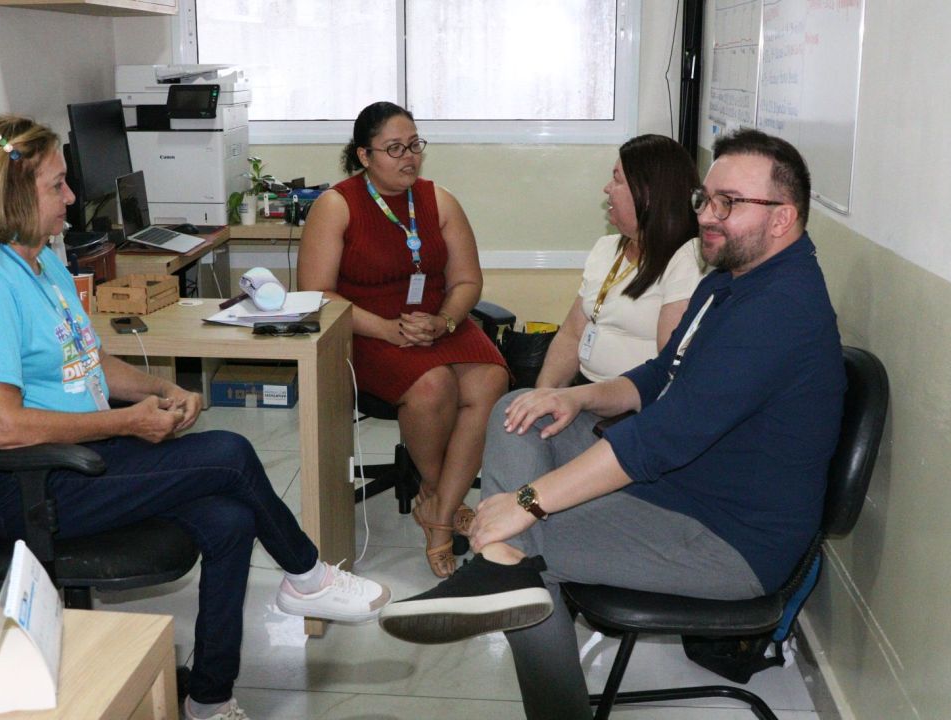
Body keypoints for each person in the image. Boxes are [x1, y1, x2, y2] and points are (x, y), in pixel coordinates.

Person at [378, 128, 846, 720]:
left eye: (730, 203)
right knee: (518, 411)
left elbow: (660, 437)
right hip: (683, 485)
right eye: (707, 197)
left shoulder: (781, 308)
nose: (708, 215)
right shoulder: (734, 278)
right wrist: (580, 398)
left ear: (783, 218)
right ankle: (503, 569)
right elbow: (663, 373)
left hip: (729, 539)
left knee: (519, 543)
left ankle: (509, 587)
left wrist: (529, 500)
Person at [0, 115, 390, 720]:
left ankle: (208, 697)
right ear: (11, 194)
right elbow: (3, 425)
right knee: (229, 454)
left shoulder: (40, 261)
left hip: (83, 462)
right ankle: (307, 576)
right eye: (56, 186)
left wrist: (161, 389)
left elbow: (89, 358)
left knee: (230, 520)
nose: (71, 198)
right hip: (26, 482)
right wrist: (127, 424)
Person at [298, 101, 509, 578]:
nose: (409, 157)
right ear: (364, 156)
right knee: (433, 385)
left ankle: (437, 511)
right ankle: (441, 500)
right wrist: (387, 328)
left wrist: (446, 322)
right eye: (394, 148)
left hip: (439, 322)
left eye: (414, 145)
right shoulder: (337, 205)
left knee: (490, 379)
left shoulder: (439, 200)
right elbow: (316, 294)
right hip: (364, 329)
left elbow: (467, 283)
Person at [535, 134, 704, 389]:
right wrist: (544, 394)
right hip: (583, 391)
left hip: (632, 408)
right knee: (510, 411)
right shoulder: (606, 248)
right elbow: (571, 334)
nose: (606, 188)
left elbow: (669, 368)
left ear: (647, 194)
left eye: (616, 179)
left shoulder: (686, 259)